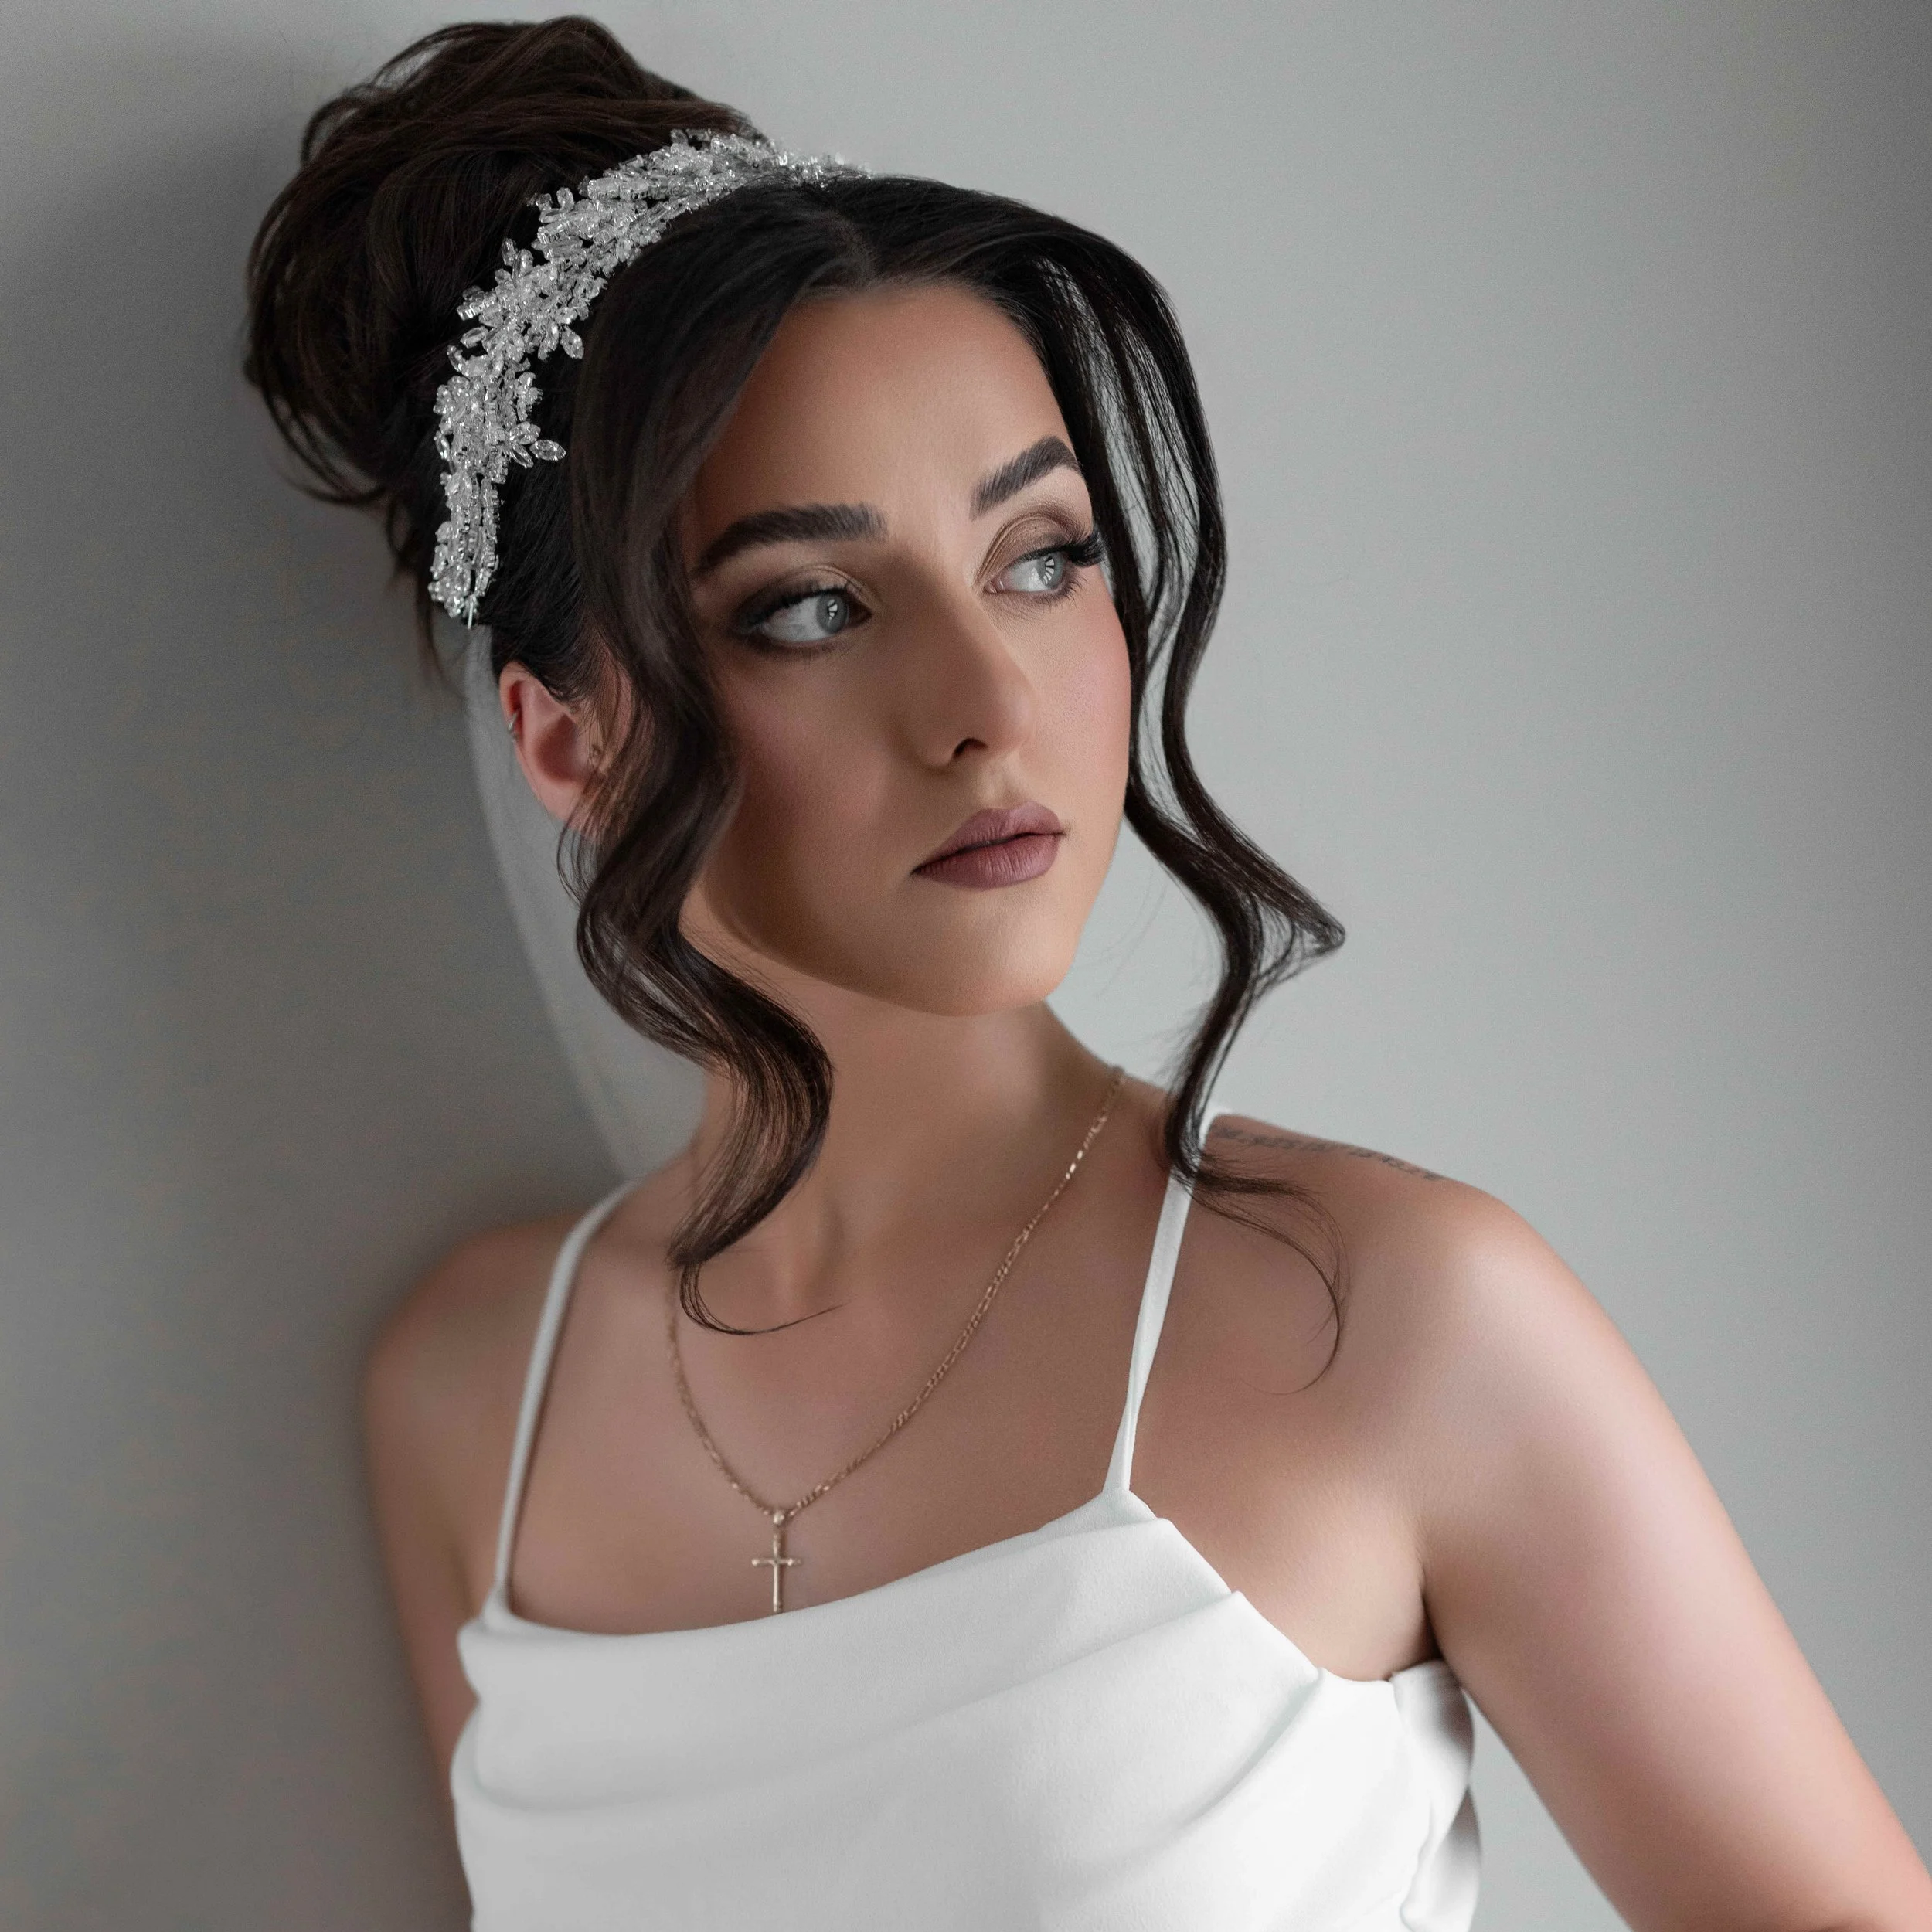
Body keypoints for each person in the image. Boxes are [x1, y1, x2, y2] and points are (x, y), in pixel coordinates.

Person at [244, 18, 1930, 1930]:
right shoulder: (470, 1389)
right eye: (811, 606)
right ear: (567, 740)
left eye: (1041, 559)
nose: (988, 708)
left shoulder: (1386, 1319)